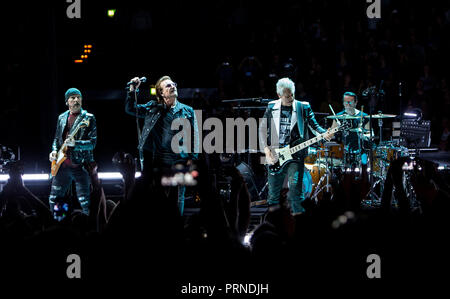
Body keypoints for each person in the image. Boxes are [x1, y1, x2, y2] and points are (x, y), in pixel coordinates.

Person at [125, 76, 199, 215]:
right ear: (161, 93)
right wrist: (132, 91)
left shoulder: (187, 110)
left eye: (173, 84)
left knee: (178, 197)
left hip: (180, 160)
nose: (172, 86)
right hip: (159, 161)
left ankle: (177, 228)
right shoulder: (154, 107)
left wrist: (192, 158)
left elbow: (195, 136)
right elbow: (131, 109)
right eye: (168, 86)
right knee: (159, 196)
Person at [259, 78, 333, 216]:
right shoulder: (271, 107)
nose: (291, 98)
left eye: (292, 94)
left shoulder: (302, 107)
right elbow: (262, 130)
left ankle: (298, 226)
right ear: (279, 95)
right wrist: (266, 151)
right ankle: (275, 225)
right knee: (273, 196)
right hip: (275, 155)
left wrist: (325, 133)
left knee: (295, 193)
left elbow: (314, 126)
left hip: (295, 155)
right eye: (287, 96)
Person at [48, 88, 97, 216]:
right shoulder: (62, 118)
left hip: (80, 166)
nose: (76, 100)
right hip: (62, 165)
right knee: (54, 200)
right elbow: (56, 139)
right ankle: (58, 224)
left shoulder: (88, 118)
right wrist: (53, 151)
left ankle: (87, 229)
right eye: (72, 97)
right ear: (67, 102)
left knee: (84, 202)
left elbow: (92, 143)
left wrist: (76, 144)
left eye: (78, 97)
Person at [331, 92, 371, 167]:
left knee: (364, 163)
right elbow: (331, 135)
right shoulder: (338, 116)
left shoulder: (364, 116)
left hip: (361, 151)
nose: (348, 104)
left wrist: (364, 135)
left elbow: (370, 134)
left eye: (350, 102)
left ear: (356, 103)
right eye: (345, 102)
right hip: (343, 151)